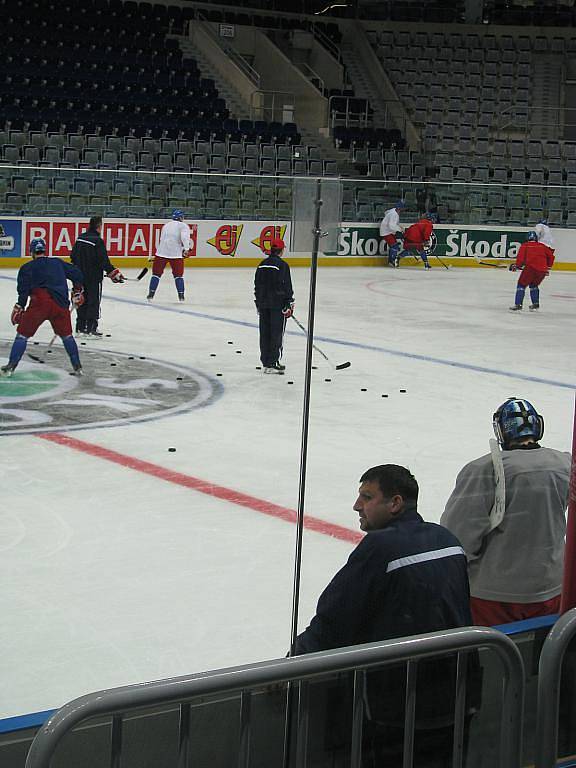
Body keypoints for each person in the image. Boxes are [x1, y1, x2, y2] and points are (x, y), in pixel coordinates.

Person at [294, 464, 474, 767]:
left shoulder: (381, 547)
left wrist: (295, 661)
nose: (357, 506)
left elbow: (336, 619)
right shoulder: (448, 540)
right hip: (459, 697)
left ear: (395, 503)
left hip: (402, 707)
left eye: (367, 497)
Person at [441, 398, 571, 626]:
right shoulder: (564, 463)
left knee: (491, 657)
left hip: (493, 595)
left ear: (501, 431)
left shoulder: (484, 469)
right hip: (552, 587)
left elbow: (458, 536)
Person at [1, 238, 84, 376]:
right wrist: (77, 290)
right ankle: (78, 368)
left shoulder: (26, 268)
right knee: (67, 336)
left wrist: (19, 307)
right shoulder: (57, 262)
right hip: (60, 305)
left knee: (22, 336)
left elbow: (23, 292)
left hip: (39, 304)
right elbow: (78, 274)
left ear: (32, 252)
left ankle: (10, 367)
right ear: (44, 250)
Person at [70, 216, 125, 337]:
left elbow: (73, 256)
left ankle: (80, 327)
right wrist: (114, 273)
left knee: (81, 300)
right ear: (99, 226)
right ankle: (91, 328)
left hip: (78, 276)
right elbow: (103, 261)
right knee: (93, 301)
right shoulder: (97, 240)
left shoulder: (80, 238)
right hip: (93, 278)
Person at [254, 237, 294, 374]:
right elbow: (286, 285)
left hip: (263, 305)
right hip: (277, 305)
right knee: (276, 334)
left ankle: (266, 362)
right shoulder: (282, 265)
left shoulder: (262, 264)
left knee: (265, 333)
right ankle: (273, 362)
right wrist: (288, 302)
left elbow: (257, 285)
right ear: (281, 250)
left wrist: (258, 302)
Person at [147, 209, 192, 303]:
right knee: (178, 276)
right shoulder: (183, 226)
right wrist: (186, 249)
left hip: (161, 253)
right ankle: (181, 296)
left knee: (156, 275)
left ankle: (151, 294)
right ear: (181, 218)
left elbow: (162, 239)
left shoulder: (166, 225)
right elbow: (185, 238)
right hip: (176, 254)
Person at [509, 230, 555, 311]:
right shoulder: (542, 246)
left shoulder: (525, 245)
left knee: (521, 285)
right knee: (533, 285)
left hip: (530, 268)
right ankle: (535, 304)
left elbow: (520, 258)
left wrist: (516, 266)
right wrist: (548, 267)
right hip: (542, 270)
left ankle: (518, 304)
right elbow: (551, 257)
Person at [379, 200, 405, 267]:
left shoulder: (393, 210)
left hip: (387, 231)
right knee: (394, 246)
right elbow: (391, 226)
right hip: (386, 232)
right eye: (402, 209)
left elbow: (386, 212)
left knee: (393, 245)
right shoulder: (394, 214)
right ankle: (392, 260)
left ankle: (391, 260)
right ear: (399, 208)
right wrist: (400, 229)